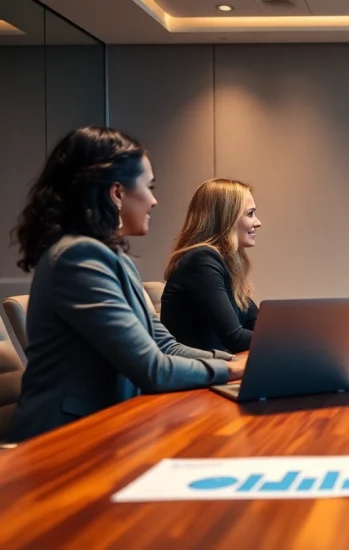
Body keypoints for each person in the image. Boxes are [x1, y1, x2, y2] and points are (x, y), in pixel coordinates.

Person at [6, 126, 246, 442]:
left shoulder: (114, 258)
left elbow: (165, 346)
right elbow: (152, 369)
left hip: (111, 427)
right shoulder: (78, 258)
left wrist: (232, 360)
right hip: (63, 441)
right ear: (117, 193)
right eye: (149, 187)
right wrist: (234, 372)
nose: (154, 200)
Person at [161, 178, 261, 354]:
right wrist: (292, 340)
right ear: (227, 218)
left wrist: (290, 333)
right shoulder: (201, 261)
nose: (257, 222)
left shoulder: (225, 262)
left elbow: (257, 323)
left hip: (218, 371)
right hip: (198, 378)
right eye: (250, 213)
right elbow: (235, 338)